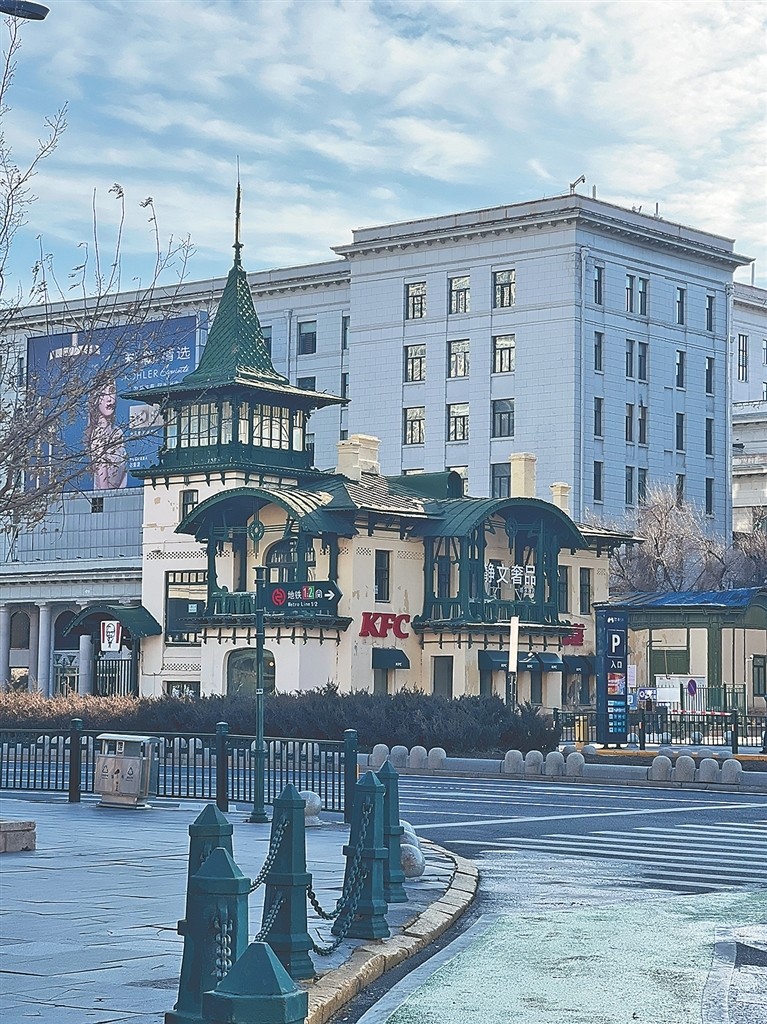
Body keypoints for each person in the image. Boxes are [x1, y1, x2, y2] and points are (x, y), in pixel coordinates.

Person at [84, 381, 128, 490]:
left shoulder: (118, 432)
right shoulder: (98, 435)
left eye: (112, 392)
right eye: (103, 394)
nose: (109, 398)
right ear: (95, 400)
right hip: (104, 499)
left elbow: (124, 469)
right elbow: (101, 477)